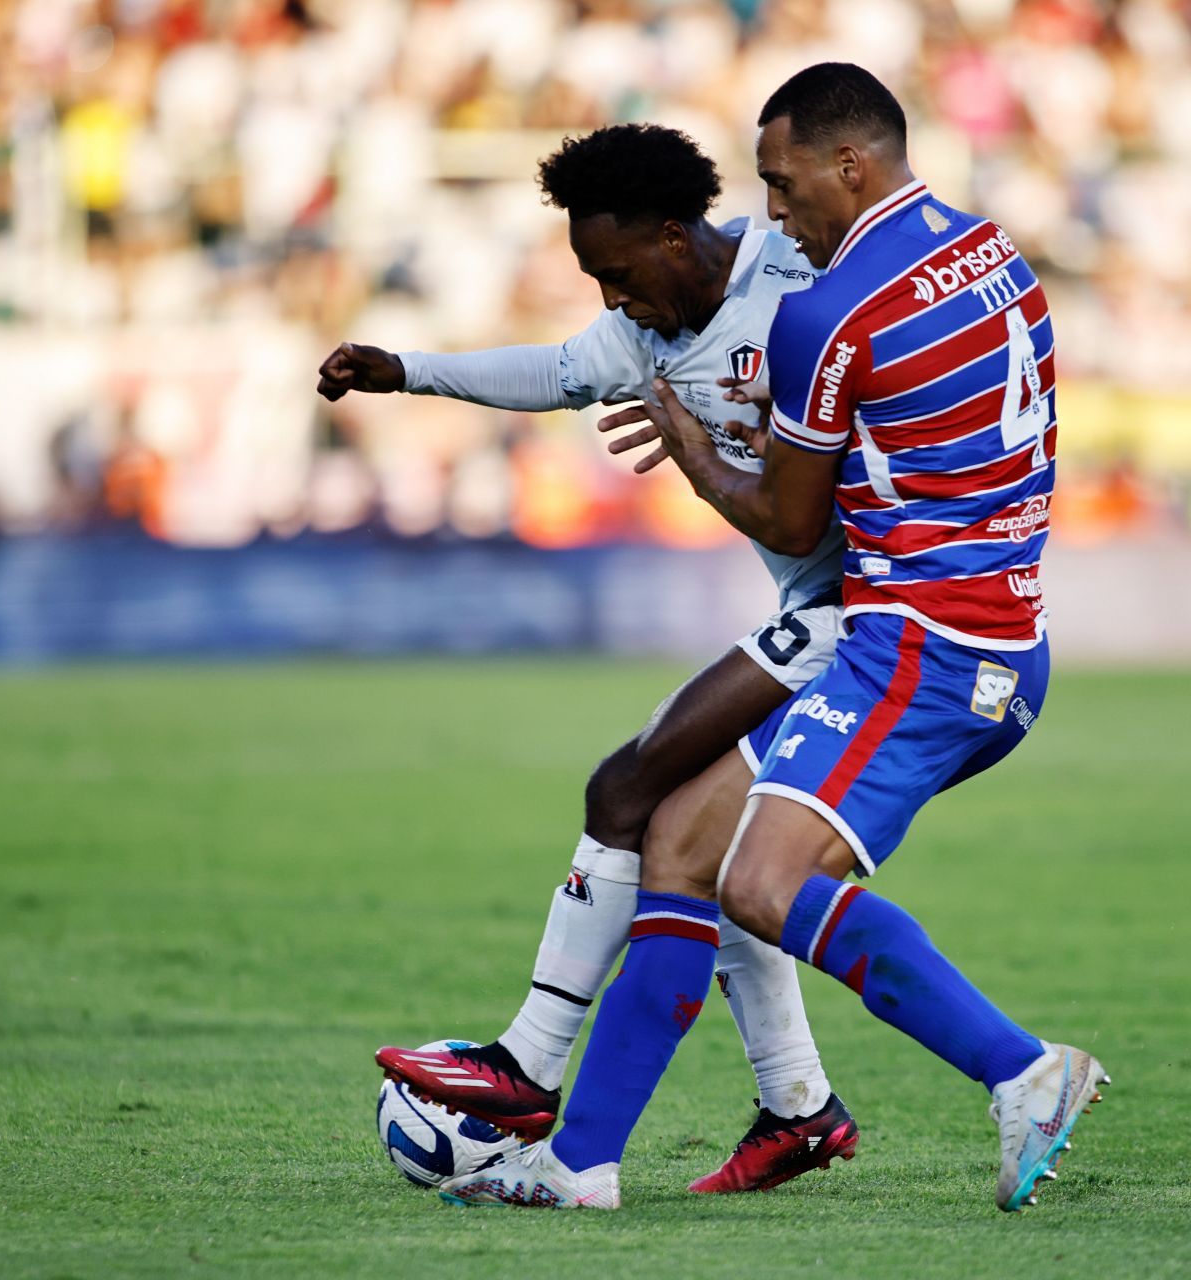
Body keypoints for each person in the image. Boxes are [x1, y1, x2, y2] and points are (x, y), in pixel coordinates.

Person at [442, 64, 1106, 1215]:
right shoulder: (994, 252)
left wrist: (691, 444)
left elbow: (791, 517)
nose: (775, 207)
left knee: (757, 883)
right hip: (982, 619)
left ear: (851, 165)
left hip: (925, 645)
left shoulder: (829, 313)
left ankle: (1023, 1068)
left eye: (783, 181)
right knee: (682, 844)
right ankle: (580, 1159)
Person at [318, 124, 860, 1193]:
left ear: (674, 234)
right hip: (815, 600)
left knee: (625, 784)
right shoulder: (644, 336)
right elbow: (552, 371)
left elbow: (877, 373)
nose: (611, 299)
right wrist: (405, 370)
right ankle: (798, 1103)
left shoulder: (798, 274)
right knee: (695, 842)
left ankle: (528, 1063)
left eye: (617, 273)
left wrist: (745, 429)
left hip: (871, 606)